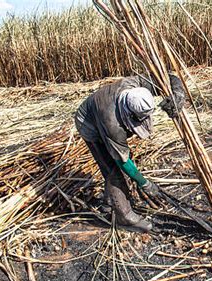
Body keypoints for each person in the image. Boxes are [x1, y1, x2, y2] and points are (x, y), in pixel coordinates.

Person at [74, 74, 185, 232]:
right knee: (113, 170)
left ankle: (109, 202)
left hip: (100, 108)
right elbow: (123, 161)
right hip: (88, 123)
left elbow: (169, 77)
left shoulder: (134, 84)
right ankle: (124, 217)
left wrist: (178, 94)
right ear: (128, 113)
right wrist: (144, 183)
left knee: (122, 163)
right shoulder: (113, 125)